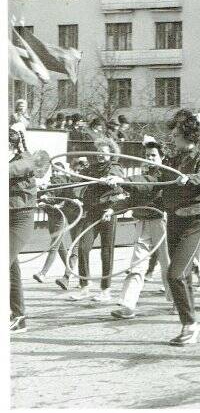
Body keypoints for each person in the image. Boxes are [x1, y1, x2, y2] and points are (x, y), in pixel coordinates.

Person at [135, 109, 200, 346]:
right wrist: (123, 184)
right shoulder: (172, 161)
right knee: (184, 277)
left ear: (188, 134)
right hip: (174, 220)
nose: (172, 137)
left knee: (175, 274)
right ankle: (189, 324)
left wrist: (187, 179)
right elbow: (153, 182)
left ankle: (191, 324)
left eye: (175, 133)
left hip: (194, 221)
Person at [109, 137, 173, 319]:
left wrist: (122, 179)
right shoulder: (144, 173)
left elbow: (147, 182)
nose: (149, 158)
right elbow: (133, 198)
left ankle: (177, 301)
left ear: (161, 157)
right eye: (147, 155)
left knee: (167, 264)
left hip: (161, 221)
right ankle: (128, 304)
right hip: (143, 221)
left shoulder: (164, 174)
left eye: (153, 155)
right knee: (137, 264)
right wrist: (113, 208)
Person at [70, 138, 127, 302]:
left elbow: (119, 183)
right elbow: (78, 181)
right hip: (93, 212)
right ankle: (84, 286)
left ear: (111, 153)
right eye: (98, 153)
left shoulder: (115, 167)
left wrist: (110, 180)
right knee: (83, 247)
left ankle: (105, 289)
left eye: (104, 153)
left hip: (108, 211)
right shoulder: (92, 168)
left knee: (106, 251)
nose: (101, 155)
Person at [9, 126, 38, 333]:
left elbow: (16, 169)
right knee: (12, 269)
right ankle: (19, 316)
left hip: (21, 219)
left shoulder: (27, 159)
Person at [33, 159, 79, 288]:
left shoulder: (64, 182)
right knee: (60, 247)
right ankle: (71, 272)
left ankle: (43, 273)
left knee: (54, 246)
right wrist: (43, 196)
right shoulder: (52, 183)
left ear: (62, 171)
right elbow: (48, 196)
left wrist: (48, 199)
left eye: (57, 171)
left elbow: (62, 199)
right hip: (52, 216)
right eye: (53, 171)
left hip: (60, 217)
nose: (54, 174)